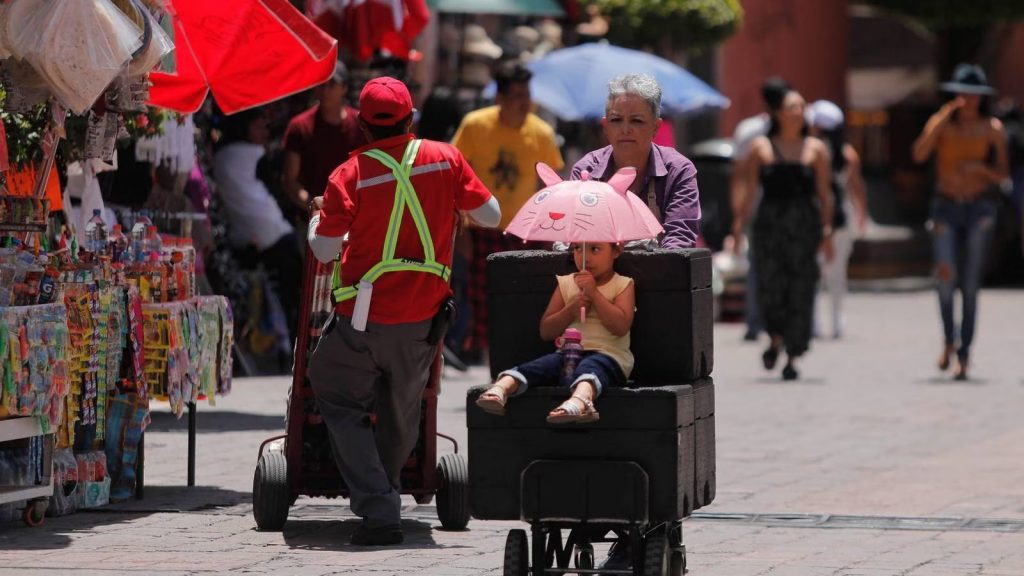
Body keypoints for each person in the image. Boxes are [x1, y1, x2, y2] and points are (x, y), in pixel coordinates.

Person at [305, 77, 500, 545]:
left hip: (361, 318)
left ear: (361, 125)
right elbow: (491, 215)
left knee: (332, 388)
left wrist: (317, 218)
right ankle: (385, 486)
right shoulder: (445, 158)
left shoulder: (348, 174)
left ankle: (378, 505)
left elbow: (326, 248)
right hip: (423, 319)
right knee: (402, 406)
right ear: (411, 119)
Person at [451, 60, 564, 362]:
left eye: (527, 94)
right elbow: (457, 176)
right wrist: (461, 228)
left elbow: (551, 185)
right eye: (516, 96)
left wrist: (552, 232)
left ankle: (525, 356)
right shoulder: (475, 125)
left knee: (530, 296)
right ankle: (492, 360)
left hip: (528, 231)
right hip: (483, 230)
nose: (523, 103)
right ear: (499, 98)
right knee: (483, 300)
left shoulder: (541, 132)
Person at [911, 64, 1009, 380]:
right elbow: (919, 154)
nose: (968, 100)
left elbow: (1003, 175)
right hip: (946, 206)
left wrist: (980, 171)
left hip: (978, 207)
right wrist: (940, 119)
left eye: (974, 95)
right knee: (945, 278)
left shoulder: (992, 127)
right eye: (963, 93)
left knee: (969, 284)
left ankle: (965, 353)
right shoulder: (943, 124)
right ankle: (948, 340)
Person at [731, 89, 834, 381]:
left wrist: (827, 232)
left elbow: (824, 196)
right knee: (771, 286)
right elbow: (750, 192)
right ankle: (775, 337)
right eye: (791, 106)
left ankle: (793, 353)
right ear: (777, 112)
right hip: (770, 226)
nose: (797, 112)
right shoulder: (760, 147)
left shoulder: (816, 148)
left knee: (801, 287)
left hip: (804, 226)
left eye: (802, 106)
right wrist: (738, 228)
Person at [475, 241, 634, 423]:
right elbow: (546, 331)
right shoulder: (567, 284)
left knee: (590, 370)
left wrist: (595, 295)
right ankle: (500, 389)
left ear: (616, 251)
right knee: (537, 367)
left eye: (595, 249)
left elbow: (621, 327)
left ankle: (581, 400)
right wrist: (570, 310)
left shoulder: (622, 284)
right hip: (568, 353)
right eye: (577, 248)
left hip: (609, 356)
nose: (584, 257)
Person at [571, 73, 701, 249]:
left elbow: (680, 238)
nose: (625, 129)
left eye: (636, 121)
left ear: (655, 127)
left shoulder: (678, 171)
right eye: (616, 120)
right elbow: (576, 236)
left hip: (660, 273)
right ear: (606, 127)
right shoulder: (586, 171)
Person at [213, 108, 302, 340]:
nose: (265, 132)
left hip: (244, 236)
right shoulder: (255, 154)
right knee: (292, 297)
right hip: (275, 232)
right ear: (245, 127)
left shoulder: (220, 156)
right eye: (260, 126)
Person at [730, 76, 791, 341]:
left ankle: (756, 322)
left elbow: (738, 175)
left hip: (757, 205)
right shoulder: (792, 126)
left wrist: (738, 212)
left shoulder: (747, 130)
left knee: (758, 264)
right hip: (780, 205)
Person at [806, 100, 869, 339]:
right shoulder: (848, 154)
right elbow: (857, 188)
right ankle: (837, 319)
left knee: (815, 270)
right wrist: (863, 214)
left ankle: (814, 322)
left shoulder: (812, 151)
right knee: (837, 272)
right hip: (842, 216)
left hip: (818, 216)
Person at [281, 61, 364, 219]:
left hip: (354, 218)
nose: (325, 90)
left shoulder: (360, 125)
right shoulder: (299, 126)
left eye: (332, 84)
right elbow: (289, 181)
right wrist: (315, 208)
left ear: (344, 88)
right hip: (313, 221)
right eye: (321, 84)